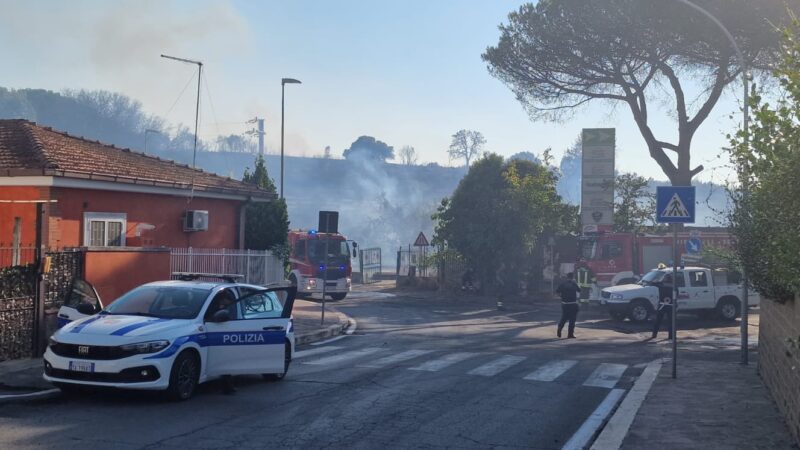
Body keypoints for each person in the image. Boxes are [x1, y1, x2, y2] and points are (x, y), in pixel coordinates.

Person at [206, 289, 239, 394]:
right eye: (228, 300)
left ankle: (227, 386)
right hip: (218, 338)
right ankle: (227, 387)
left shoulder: (220, 307)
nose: (229, 303)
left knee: (226, 362)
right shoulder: (214, 307)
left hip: (224, 337)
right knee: (226, 362)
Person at [555, 272, 581, 338]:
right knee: (572, 320)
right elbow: (579, 290)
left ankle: (559, 329)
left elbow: (557, 292)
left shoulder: (563, 284)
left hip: (564, 304)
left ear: (567, 277)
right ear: (573, 277)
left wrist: (562, 297)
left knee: (564, 318)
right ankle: (570, 334)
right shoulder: (574, 283)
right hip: (573, 304)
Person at [652, 274, 675, 340]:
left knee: (658, 321)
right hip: (671, 305)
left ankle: (654, 335)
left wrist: (660, 280)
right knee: (671, 322)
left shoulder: (661, 284)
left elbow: (653, 283)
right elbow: (677, 294)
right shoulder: (674, 286)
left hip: (662, 305)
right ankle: (671, 336)